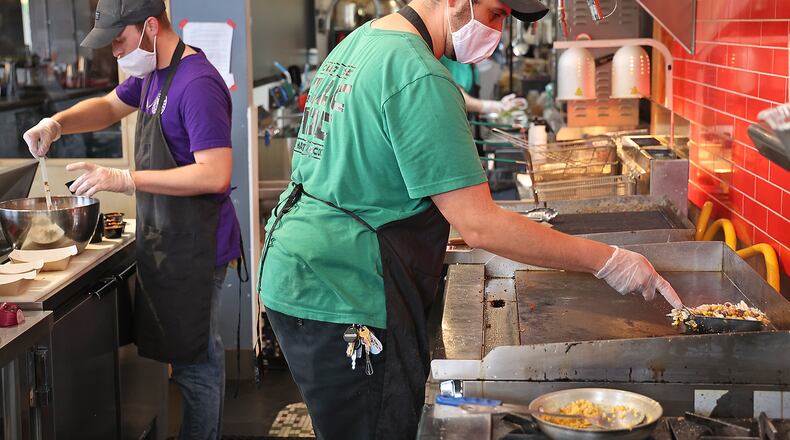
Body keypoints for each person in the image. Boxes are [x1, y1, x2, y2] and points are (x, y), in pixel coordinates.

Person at [257, 0, 684, 439]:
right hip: (345, 289)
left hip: (298, 272)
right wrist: (608, 260)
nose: (497, 30)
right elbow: (481, 224)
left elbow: (363, 174)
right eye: (497, 14)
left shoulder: (365, 42)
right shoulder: (419, 74)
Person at [22, 0, 240, 438]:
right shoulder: (152, 75)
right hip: (168, 240)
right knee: (189, 362)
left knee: (198, 368)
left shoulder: (196, 82)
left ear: (150, 27)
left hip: (198, 248)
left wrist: (125, 179)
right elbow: (107, 106)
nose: (115, 53)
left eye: (119, 41)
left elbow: (215, 174)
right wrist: (57, 124)